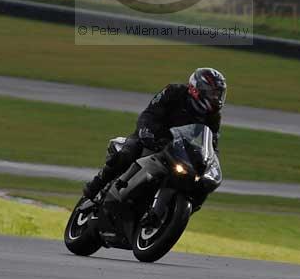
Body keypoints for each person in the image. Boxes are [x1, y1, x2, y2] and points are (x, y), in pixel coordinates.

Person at [81, 67, 226, 204]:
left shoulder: (213, 117)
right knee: (129, 151)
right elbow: (149, 114)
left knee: (199, 184)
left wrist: (209, 163)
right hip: (153, 137)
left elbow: (211, 144)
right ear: (196, 89)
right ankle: (97, 184)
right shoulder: (173, 91)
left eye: (219, 94)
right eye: (213, 93)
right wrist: (147, 132)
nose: (216, 98)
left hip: (179, 150)